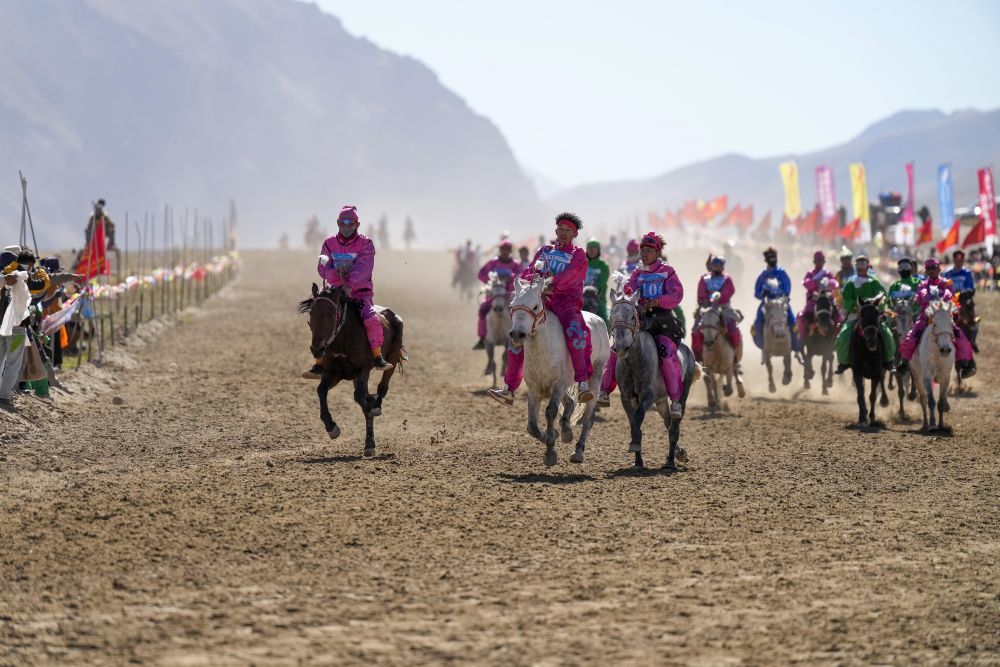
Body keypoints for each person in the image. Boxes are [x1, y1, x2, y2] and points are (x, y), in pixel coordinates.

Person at [488, 213, 594, 406]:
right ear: (555, 230)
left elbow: (572, 275)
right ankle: (509, 389)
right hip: (540, 299)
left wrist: (551, 282)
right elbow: (529, 271)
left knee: (575, 332)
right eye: (560, 229)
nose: (563, 233)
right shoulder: (544, 251)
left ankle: (582, 383)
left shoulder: (578, 254)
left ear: (575, 233)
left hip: (565, 301)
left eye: (568, 230)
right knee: (517, 333)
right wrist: (528, 283)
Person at [596, 232, 685, 418]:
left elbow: (676, 294)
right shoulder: (637, 272)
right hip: (641, 319)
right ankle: (604, 391)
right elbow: (629, 290)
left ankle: (675, 400)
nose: (644, 253)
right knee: (617, 348)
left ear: (657, 252)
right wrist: (624, 293)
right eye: (642, 250)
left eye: (649, 250)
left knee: (668, 353)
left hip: (662, 321)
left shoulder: (668, 271)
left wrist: (657, 302)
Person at [302, 205, 392, 379]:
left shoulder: (366, 244)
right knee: (319, 316)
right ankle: (319, 364)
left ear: (357, 224)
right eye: (343, 222)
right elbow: (322, 267)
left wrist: (349, 283)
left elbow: (364, 268)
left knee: (371, 319)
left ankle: (377, 356)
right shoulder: (328, 244)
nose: (346, 225)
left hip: (359, 292)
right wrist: (335, 277)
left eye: (350, 222)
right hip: (333, 290)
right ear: (337, 223)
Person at [897, 258, 976, 378]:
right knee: (912, 336)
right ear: (926, 271)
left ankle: (967, 364)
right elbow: (920, 295)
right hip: (926, 317)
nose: (931, 271)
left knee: (960, 334)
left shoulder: (946, 283)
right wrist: (927, 297)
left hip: (944, 316)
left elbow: (950, 294)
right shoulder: (923, 284)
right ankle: (904, 362)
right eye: (928, 269)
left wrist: (942, 297)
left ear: (939, 269)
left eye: (933, 268)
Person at [1, 247, 50, 411]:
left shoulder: (3, 277)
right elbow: (41, 287)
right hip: (16, 329)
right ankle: (4, 397)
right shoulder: (20, 275)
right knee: (13, 365)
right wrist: (43, 273)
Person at [834, 254, 896, 374]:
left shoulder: (875, 282)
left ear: (867, 266)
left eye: (862, 264)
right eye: (858, 265)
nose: (860, 268)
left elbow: (883, 297)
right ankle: (843, 362)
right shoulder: (850, 283)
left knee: (887, 334)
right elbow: (846, 298)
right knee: (843, 337)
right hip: (855, 314)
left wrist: (876, 307)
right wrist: (855, 307)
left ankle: (889, 361)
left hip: (873, 316)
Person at [691, 256, 742, 368]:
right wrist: (704, 301)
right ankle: (698, 360)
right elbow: (701, 293)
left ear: (723, 267)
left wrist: (718, 299)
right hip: (707, 310)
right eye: (715, 265)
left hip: (724, 309)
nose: (717, 267)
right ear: (711, 266)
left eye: (719, 265)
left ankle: (735, 358)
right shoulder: (704, 278)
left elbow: (729, 292)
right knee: (696, 331)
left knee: (733, 329)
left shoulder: (727, 279)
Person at [472, 238, 520, 349]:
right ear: (500, 250)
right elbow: (481, 274)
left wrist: (511, 277)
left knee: (520, 311)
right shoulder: (493, 262)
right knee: (483, 309)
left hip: (510, 296)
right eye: (503, 249)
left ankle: (518, 339)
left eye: (507, 249)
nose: (505, 251)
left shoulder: (515, 264)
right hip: (494, 295)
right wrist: (490, 280)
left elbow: (521, 276)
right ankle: (482, 338)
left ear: (510, 251)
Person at [751, 247, 800, 353]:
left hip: (781, 302)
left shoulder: (781, 272)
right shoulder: (763, 275)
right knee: (758, 322)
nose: (772, 260)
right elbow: (756, 292)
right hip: (767, 303)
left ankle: (796, 348)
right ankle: (763, 346)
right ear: (766, 260)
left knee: (793, 322)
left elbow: (787, 288)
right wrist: (762, 294)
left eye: (774, 258)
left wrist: (782, 295)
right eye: (770, 258)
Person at [798, 250, 842, 338]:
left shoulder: (827, 273)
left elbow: (835, 283)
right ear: (814, 261)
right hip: (813, 301)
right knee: (802, 317)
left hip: (827, 300)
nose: (819, 263)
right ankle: (802, 338)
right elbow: (805, 283)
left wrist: (828, 282)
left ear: (824, 262)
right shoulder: (810, 273)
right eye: (817, 261)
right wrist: (815, 282)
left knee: (839, 317)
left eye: (821, 261)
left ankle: (838, 337)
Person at [944, 249, 978, 349]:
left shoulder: (967, 273)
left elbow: (970, 288)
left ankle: (972, 340)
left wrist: (962, 293)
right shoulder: (948, 273)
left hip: (964, 300)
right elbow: (945, 288)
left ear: (963, 260)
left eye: (961, 260)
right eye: (956, 260)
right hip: (951, 301)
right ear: (953, 260)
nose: (958, 262)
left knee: (974, 321)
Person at [584, 237, 610, 324]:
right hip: (581, 297)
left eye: (594, 248)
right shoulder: (582, 263)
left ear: (598, 250)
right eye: (589, 248)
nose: (591, 251)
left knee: (604, 320)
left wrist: (592, 293)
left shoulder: (603, 265)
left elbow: (602, 283)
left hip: (598, 298)